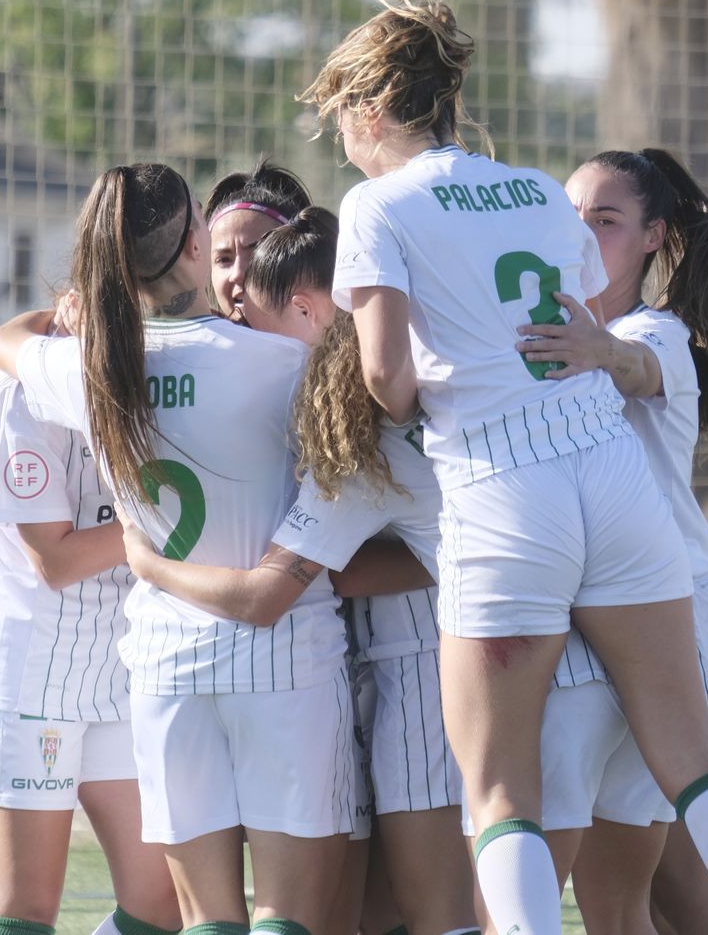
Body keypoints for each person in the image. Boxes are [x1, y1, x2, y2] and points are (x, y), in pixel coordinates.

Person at [298, 0, 708, 935]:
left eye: (341, 121)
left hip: (500, 487)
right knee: (695, 760)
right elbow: (568, 321)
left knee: (498, 791)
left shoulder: (376, 203)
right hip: (610, 476)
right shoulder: (531, 185)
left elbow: (386, 379)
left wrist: (405, 398)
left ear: (371, 107)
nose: (345, 145)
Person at [0, 163, 353, 935]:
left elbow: (2, 339)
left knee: (208, 919)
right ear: (196, 242)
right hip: (282, 658)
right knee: (287, 915)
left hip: (164, 666)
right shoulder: (285, 362)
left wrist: (70, 312)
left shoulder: (94, 372)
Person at [122, 209, 479, 935]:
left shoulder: (356, 441)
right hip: (541, 628)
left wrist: (150, 564)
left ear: (313, 307)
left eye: (257, 316)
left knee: (447, 914)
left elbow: (266, 594)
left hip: (449, 658)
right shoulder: (425, 369)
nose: (245, 333)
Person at [521, 149, 708, 935]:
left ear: (654, 236)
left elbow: (636, 365)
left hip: (676, 625)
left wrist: (600, 351)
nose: (582, 233)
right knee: (620, 898)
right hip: (598, 632)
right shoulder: (549, 331)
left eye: (607, 220)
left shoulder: (654, 332)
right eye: (572, 215)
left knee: (681, 887)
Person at [0, 368, 180, 935]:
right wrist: (172, 520)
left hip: (122, 666)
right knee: (27, 910)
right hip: (32, 673)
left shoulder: (167, 370)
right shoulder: (23, 392)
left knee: (163, 905)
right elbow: (55, 561)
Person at [205, 159, 313, 323]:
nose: (238, 274)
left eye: (256, 255)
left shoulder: (348, 345)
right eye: (224, 260)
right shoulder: (190, 347)